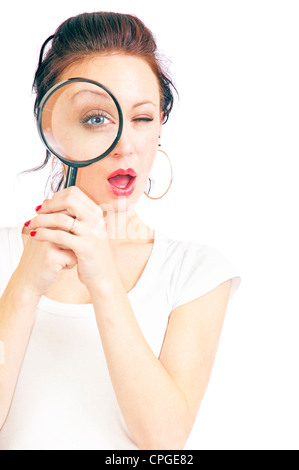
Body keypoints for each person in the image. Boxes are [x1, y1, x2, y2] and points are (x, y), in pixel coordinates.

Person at [0, 12, 240, 450]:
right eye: (96, 118)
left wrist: (104, 278)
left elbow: (165, 444)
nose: (126, 144)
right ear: (51, 127)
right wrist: (22, 289)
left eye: (143, 118)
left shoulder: (197, 272)